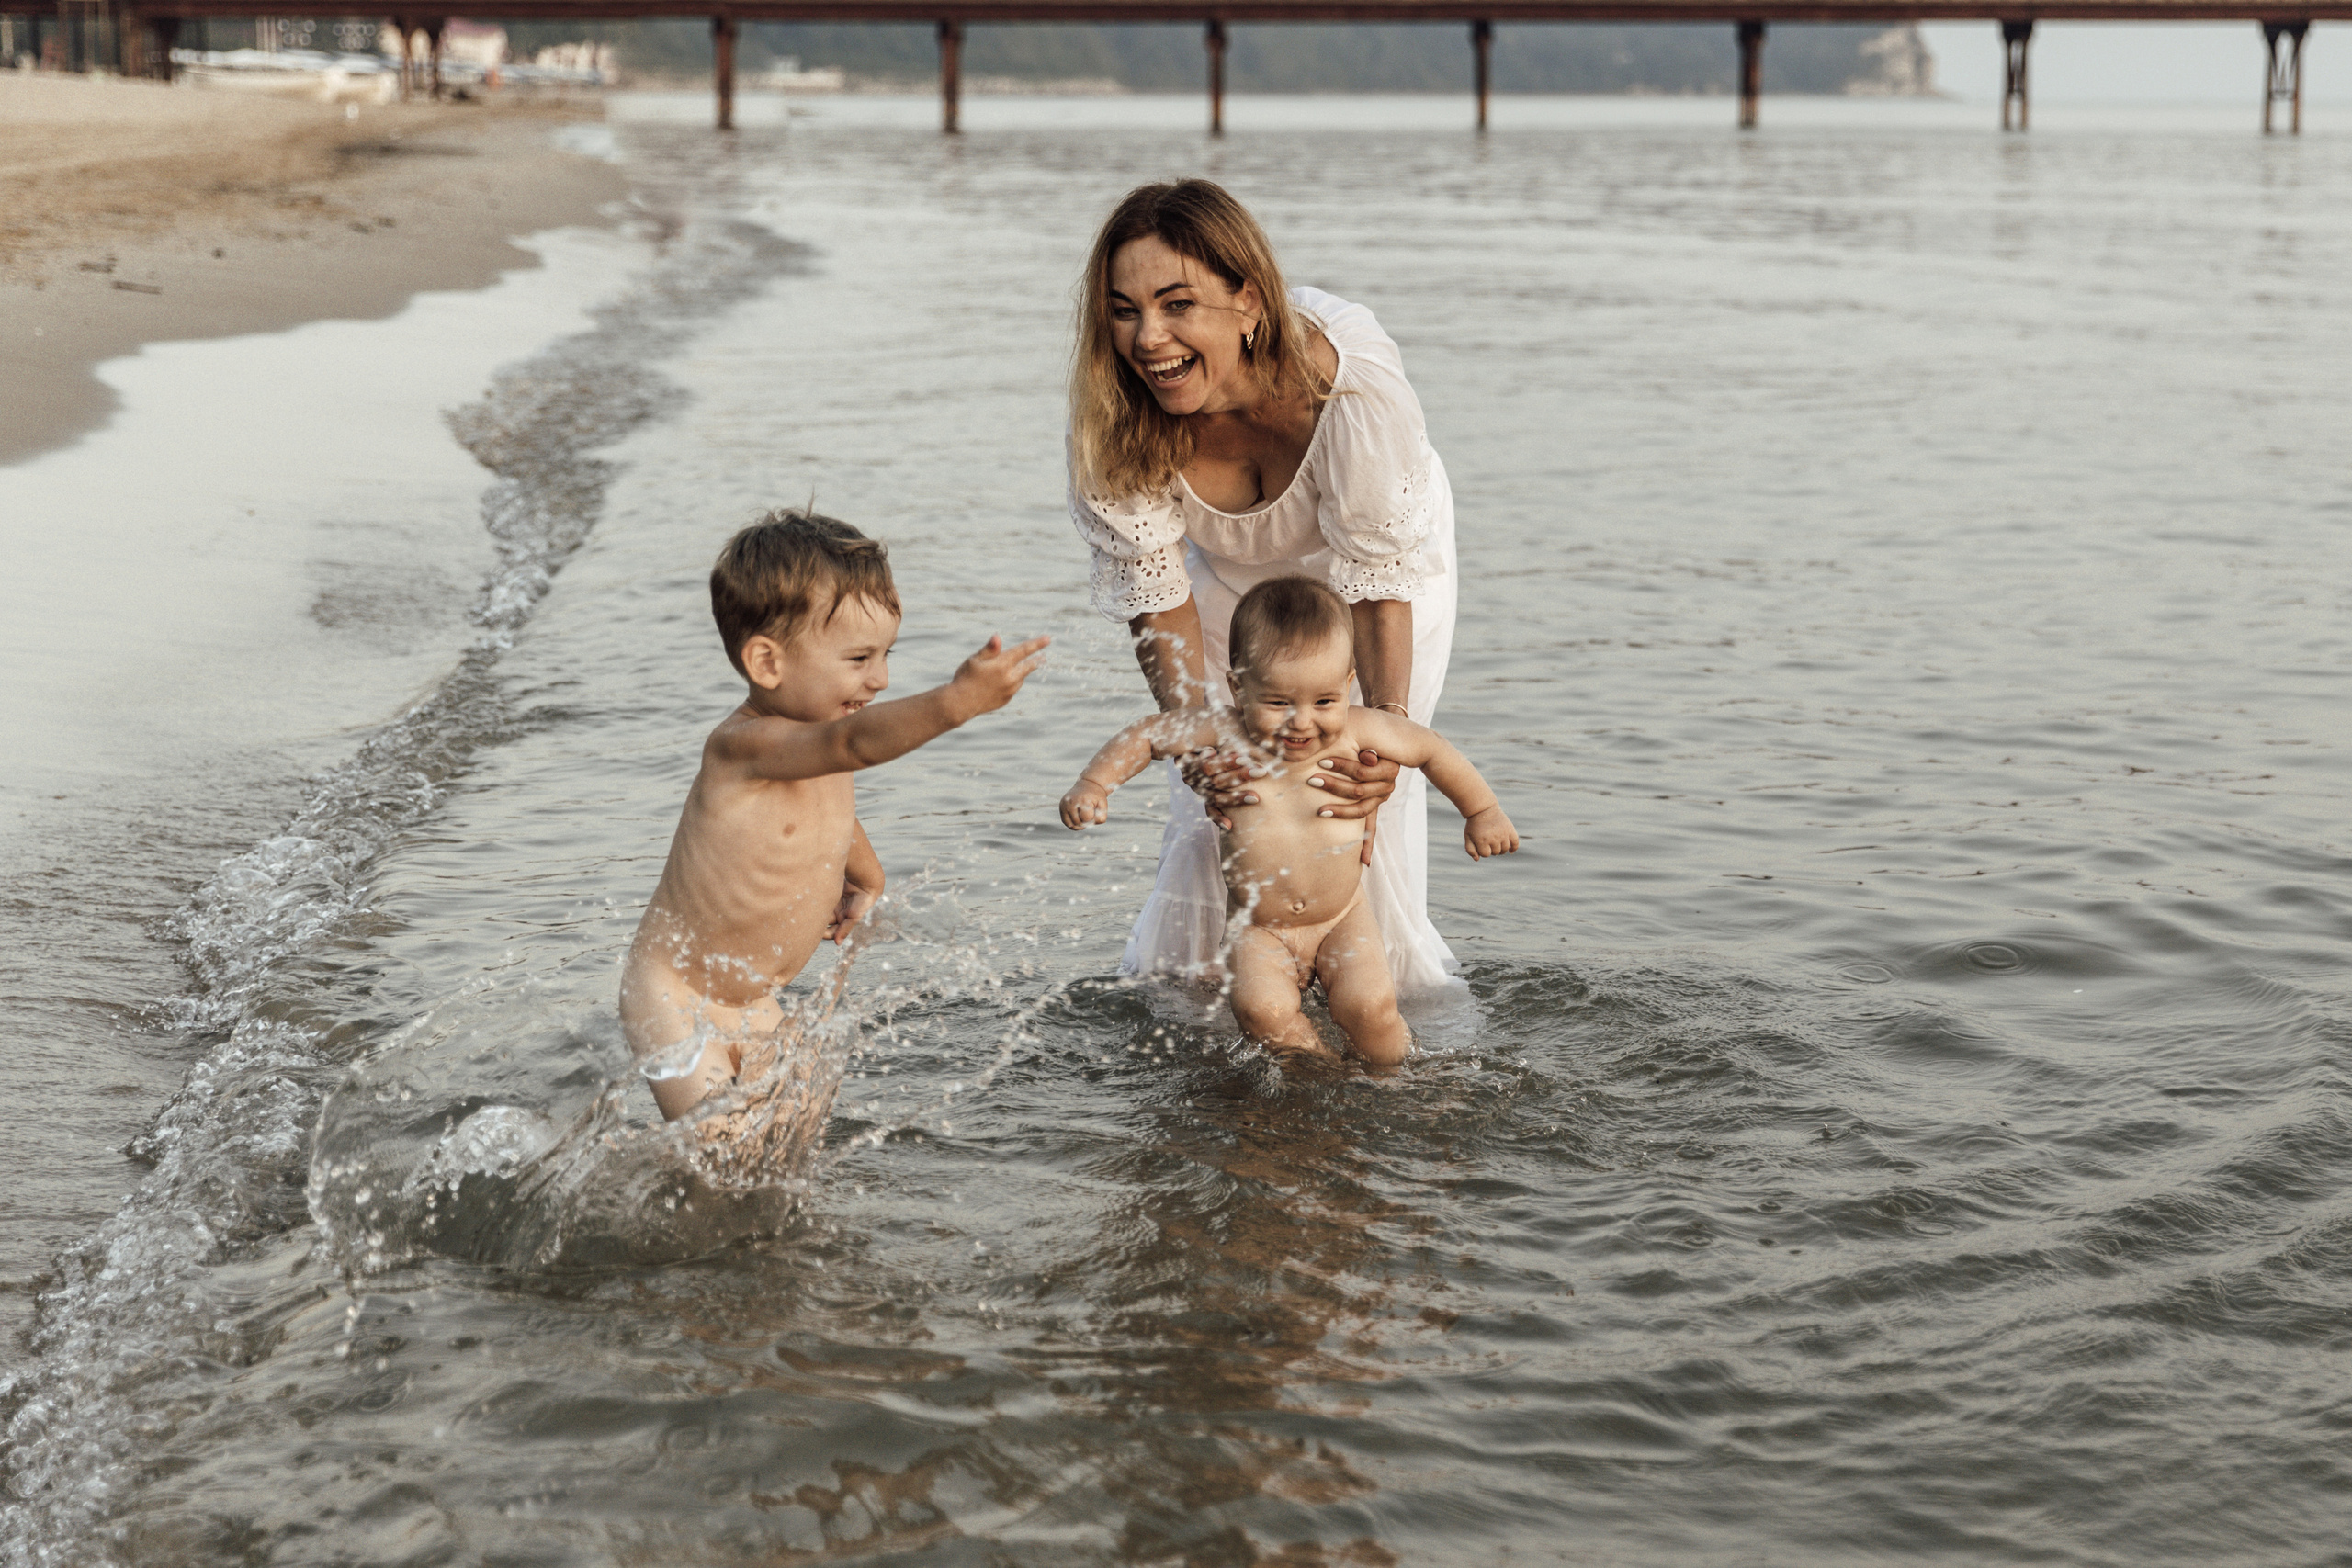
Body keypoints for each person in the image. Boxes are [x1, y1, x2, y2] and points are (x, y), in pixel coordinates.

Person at [1067, 178, 1465, 997]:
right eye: (1124, 309)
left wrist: (1383, 728)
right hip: (1222, 577)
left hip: (1374, 568)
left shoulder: (1350, 387)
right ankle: (1216, 1005)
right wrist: (1193, 735)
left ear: (1247, 301)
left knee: (1351, 792)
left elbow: (1380, 583)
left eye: (1177, 304)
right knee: (1218, 785)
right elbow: (1157, 590)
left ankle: (1384, 1019)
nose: (1148, 339)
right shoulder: (1112, 413)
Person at [621, 509, 1047, 1121]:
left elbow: (830, 809)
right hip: (674, 991)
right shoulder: (744, 746)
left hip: (756, 996)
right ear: (768, 663)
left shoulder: (823, 730)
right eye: (858, 659)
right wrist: (956, 704)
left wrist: (865, 873)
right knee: (719, 1146)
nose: (881, 678)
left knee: (789, 1135)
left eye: (886, 654)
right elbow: (852, 748)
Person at [1060, 577, 1516, 1064]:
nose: (1302, 721)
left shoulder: (1361, 729)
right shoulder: (1223, 731)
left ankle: (1398, 1080)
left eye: (1323, 702)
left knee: (1372, 1007)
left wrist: (1481, 811)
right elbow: (1149, 735)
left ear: (1347, 686)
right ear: (1238, 688)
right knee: (1263, 1010)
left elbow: (1430, 748)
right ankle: (1317, 1072)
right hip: (1260, 928)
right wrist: (1094, 783)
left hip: (1342, 917)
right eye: (1278, 702)